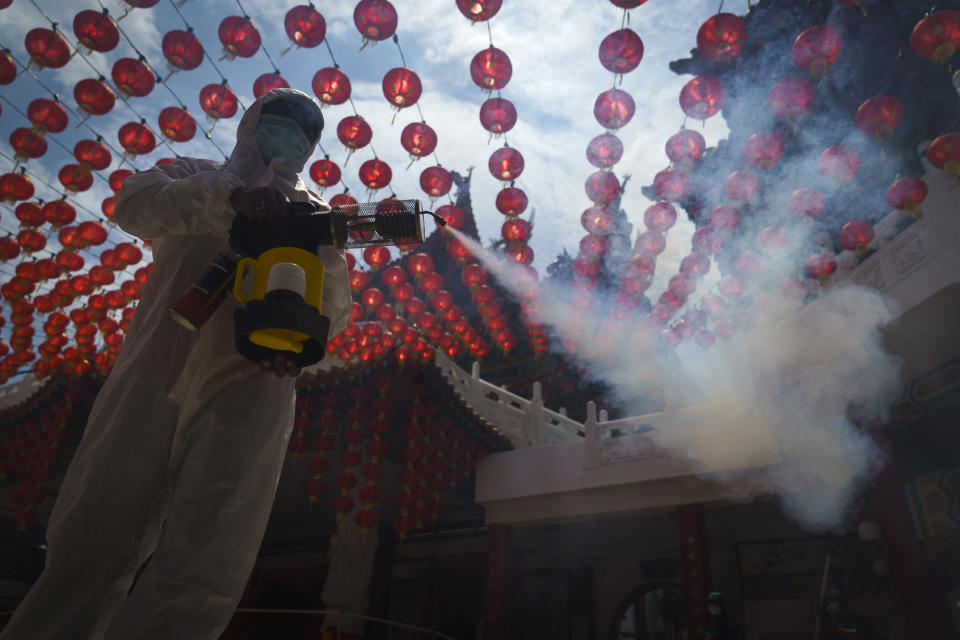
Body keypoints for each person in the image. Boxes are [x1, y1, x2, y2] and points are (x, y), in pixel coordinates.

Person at [0, 89, 351, 640]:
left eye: (305, 132)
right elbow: (134, 206)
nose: (292, 138)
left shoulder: (316, 214)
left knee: (210, 550)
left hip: (252, 375)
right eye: (279, 123)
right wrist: (227, 199)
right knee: (96, 531)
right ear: (250, 125)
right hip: (154, 362)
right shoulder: (196, 172)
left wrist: (302, 345)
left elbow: (332, 298)